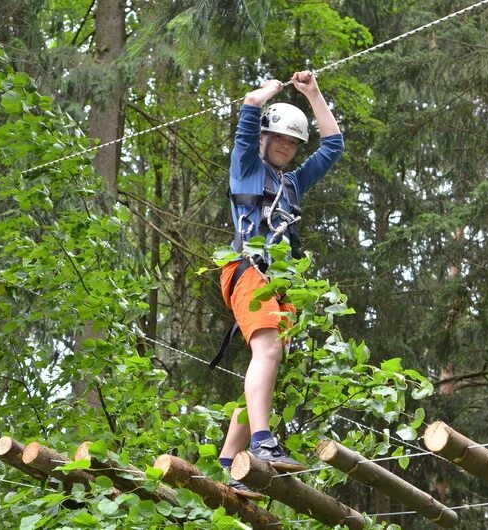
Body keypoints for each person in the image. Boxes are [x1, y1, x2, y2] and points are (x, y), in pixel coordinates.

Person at [217, 71, 344, 498]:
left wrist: (313, 93)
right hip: (247, 269)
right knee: (268, 350)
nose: (287, 148)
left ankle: (229, 464)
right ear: (264, 139)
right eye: (281, 140)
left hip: (278, 282)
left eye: (293, 144)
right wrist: (264, 94)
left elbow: (333, 146)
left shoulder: (292, 182)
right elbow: (248, 116)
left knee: (268, 365)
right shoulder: (247, 168)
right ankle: (262, 443)